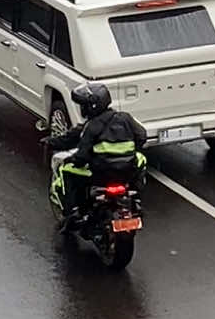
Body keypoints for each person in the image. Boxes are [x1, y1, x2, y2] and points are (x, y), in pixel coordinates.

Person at [44, 82, 147, 230]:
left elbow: (82, 155)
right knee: (142, 159)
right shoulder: (125, 118)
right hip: (126, 172)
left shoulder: (91, 127)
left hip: (101, 174)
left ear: (91, 107)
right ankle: (136, 197)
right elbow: (142, 136)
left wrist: (72, 160)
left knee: (65, 170)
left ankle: (71, 212)